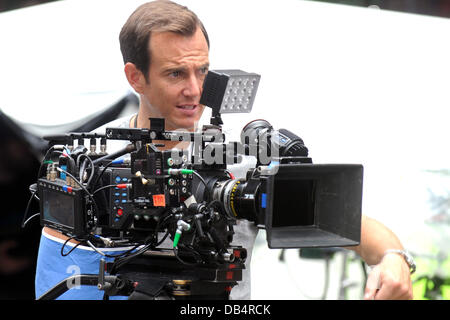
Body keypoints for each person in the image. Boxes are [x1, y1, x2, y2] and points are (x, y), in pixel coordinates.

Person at [35, 0, 414, 300]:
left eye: (202, 71)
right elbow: (58, 278)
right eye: (175, 74)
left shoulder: (244, 152)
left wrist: (393, 260)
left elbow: (351, 226)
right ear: (136, 77)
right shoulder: (87, 161)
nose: (195, 90)